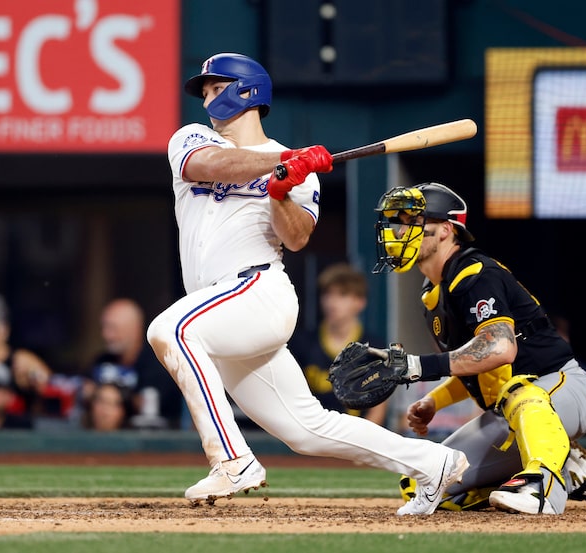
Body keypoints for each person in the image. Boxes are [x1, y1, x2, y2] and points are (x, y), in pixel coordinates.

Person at [146, 52, 466, 512]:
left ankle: (232, 460)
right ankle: (435, 462)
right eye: (206, 90)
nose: (208, 98)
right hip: (218, 307)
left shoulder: (300, 176)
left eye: (217, 87)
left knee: (170, 331)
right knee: (306, 428)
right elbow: (210, 165)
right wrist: (282, 161)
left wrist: (280, 191)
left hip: (258, 293)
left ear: (248, 91)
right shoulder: (192, 138)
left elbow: (295, 238)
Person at [371, 183, 586, 515]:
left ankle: (542, 489)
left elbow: (500, 349)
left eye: (411, 222)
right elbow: (477, 363)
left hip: (562, 387)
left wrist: (417, 366)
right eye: (398, 222)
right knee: (426, 484)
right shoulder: (434, 291)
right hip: (510, 412)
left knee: (520, 392)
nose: (399, 231)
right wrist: (435, 399)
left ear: (446, 230)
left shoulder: (475, 273)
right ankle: (574, 469)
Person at [289, 262, 389, 425]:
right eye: (327, 294)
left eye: (342, 295)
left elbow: (378, 409)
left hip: (358, 440)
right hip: (313, 437)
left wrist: (360, 443)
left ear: (360, 302)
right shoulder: (302, 343)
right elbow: (291, 398)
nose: (331, 302)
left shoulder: (374, 348)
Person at [86, 298, 183, 429]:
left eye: (113, 328)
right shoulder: (102, 361)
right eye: (104, 327)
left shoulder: (159, 363)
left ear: (135, 329)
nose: (106, 335)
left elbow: (152, 406)